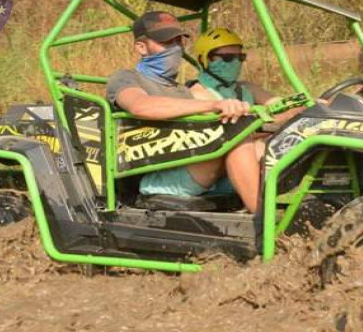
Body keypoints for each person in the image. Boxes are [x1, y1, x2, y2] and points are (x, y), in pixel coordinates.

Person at [106, 12, 261, 212]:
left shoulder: (182, 91)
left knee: (262, 146)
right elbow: (140, 106)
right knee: (237, 135)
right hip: (153, 175)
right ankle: (265, 224)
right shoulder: (126, 78)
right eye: (167, 42)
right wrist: (214, 105)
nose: (176, 48)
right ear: (141, 47)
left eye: (179, 41)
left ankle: (280, 214)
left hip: (189, 163)